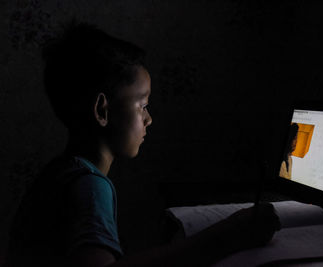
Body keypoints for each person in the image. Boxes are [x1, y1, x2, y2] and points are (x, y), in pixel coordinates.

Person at [6, 21, 281, 267]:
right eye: (142, 105)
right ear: (102, 111)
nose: (148, 119)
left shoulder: (59, 172)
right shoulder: (89, 186)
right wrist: (227, 236)